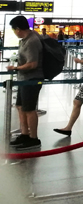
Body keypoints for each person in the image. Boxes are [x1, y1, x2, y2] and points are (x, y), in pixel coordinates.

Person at [7, 16, 44, 150]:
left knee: (29, 109)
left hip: (31, 79)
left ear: (18, 29)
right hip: (24, 79)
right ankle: (25, 134)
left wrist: (16, 68)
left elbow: (32, 64)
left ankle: (34, 138)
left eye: (13, 29)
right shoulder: (27, 38)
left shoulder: (32, 41)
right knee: (20, 107)